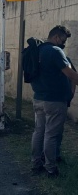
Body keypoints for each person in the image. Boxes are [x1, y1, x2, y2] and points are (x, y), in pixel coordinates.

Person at [30, 25, 78, 178]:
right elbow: (71, 74)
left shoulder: (37, 49)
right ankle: (50, 168)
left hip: (38, 98)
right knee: (51, 135)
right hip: (54, 100)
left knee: (38, 132)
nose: (63, 44)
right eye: (63, 40)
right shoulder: (55, 51)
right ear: (57, 37)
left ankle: (36, 163)